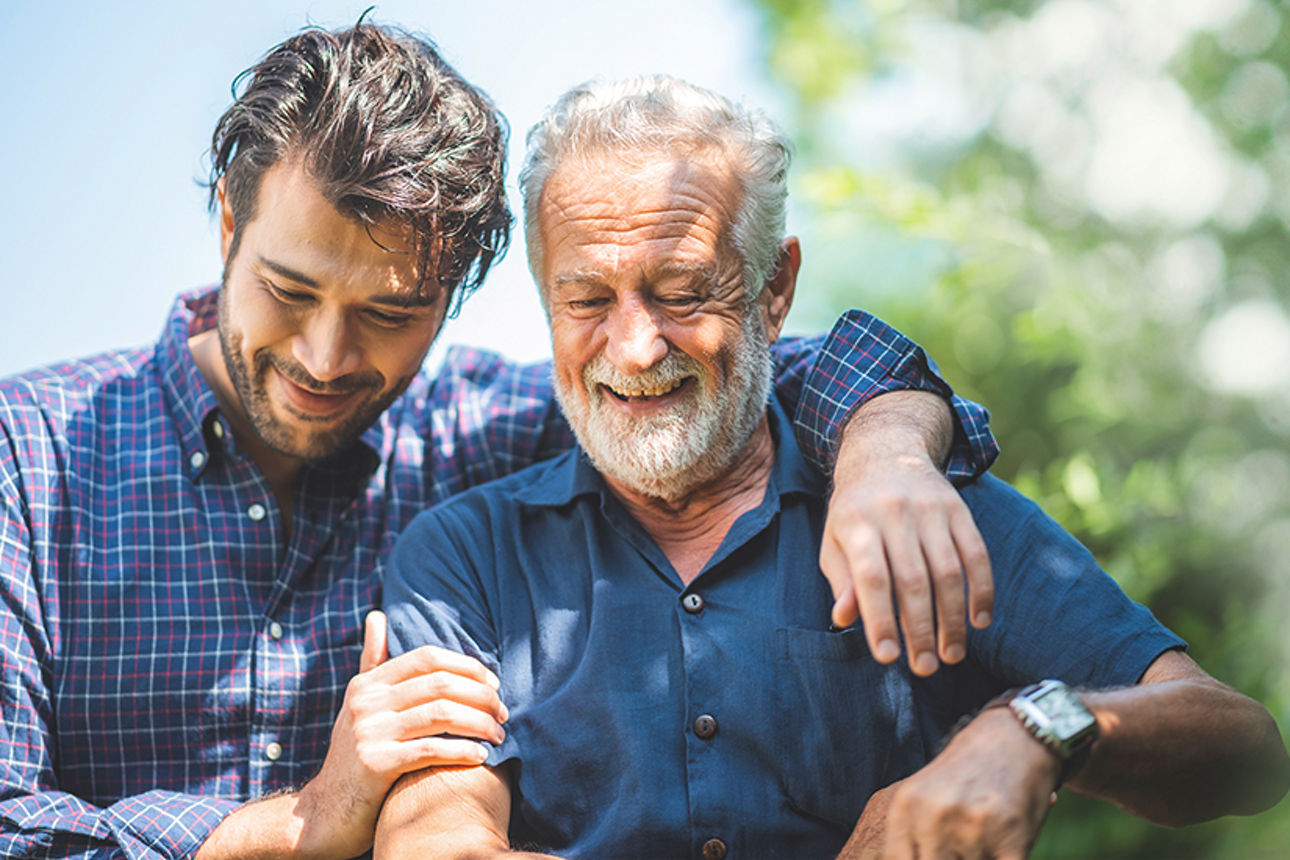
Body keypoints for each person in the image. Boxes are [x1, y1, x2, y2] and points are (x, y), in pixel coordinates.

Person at [0, 21, 1002, 860]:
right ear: (228, 223)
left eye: (390, 312)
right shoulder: (28, 456)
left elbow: (745, 370)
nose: (325, 354)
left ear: (455, 296)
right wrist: (297, 820)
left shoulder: (479, 433)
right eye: (289, 289)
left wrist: (885, 451)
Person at [374, 75, 1290, 859]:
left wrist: (1037, 727)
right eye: (585, 298)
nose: (636, 346)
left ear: (774, 289)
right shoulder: (464, 553)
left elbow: (1243, 747)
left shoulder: (918, 508)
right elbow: (433, 836)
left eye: (683, 292)